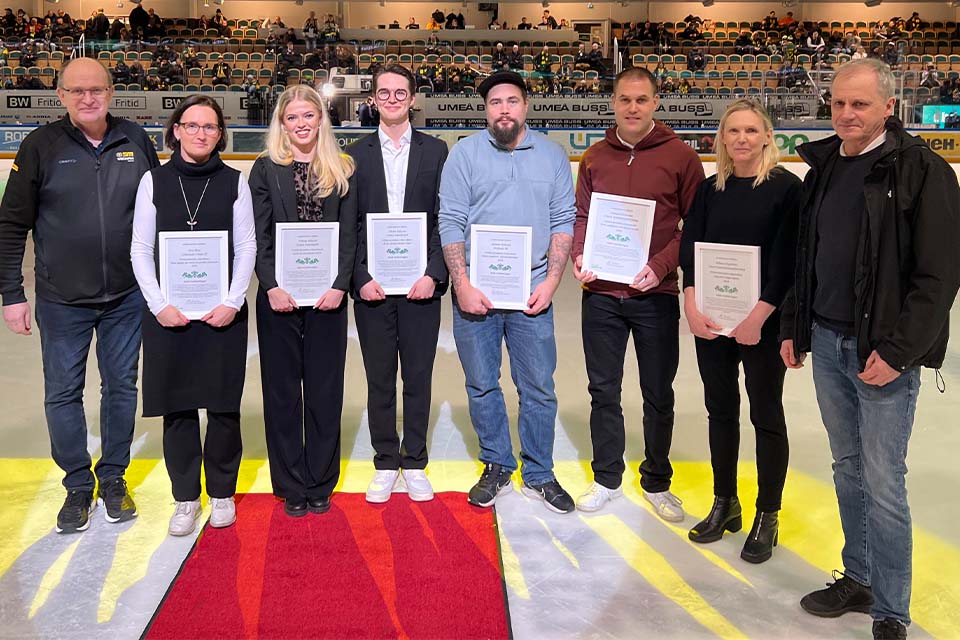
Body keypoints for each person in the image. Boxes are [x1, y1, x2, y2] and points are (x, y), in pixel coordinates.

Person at [780, 58, 960, 640]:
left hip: (881, 351)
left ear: (888, 106)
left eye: (859, 104)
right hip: (828, 343)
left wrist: (901, 351)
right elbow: (806, 257)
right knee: (847, 467)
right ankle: (858, 577)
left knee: (884, 480)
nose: (847, 114)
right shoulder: (825, 167)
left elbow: (938, 276)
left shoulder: (922, 172)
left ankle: (891, 609)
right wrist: (794, 325)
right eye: (838, 104)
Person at [0, 58, 159, 534]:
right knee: (63, 392)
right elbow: (11, 223)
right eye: (77, 91)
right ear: (61, 95)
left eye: (97, 90)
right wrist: (11, 291)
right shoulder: (39, 146)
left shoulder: (135, 139)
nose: (88, 98)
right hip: (60, 297)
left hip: (127, 297)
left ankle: (113, 477)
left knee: (121, 388)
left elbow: (160, 212)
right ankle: (75, 483)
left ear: (111, 92)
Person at [439, 71, 576, 513]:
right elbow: (450, 220)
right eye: (495, 102)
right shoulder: (464, 154)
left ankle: (538, 472)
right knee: (481, 385)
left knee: (538, 386)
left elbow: (562, 219)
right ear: (486, 109)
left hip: (531, 291)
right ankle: (497, 463)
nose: (503, 109)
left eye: (511, 101)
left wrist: (552, 281)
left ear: (526, 105)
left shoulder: (552, 156)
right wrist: (461, 284)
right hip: (476, 292)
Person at [571, 67, 704, 519]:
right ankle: (607, 477)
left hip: (656, 295)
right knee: (603, 389)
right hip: (603, 295)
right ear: (613, 101)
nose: (633, 107)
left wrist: (661, 265)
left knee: (657, 393)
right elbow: (583, 217)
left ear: (655, 103)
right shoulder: (593, 158)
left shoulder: (682, 157)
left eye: (641, 100)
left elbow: (694, 226)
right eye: (625, 99)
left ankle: (656, 480)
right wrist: (578, 255)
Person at [679, 100, 800, 563]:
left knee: (766, 415)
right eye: (734, 131)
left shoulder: (788, 190)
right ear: (722, 139)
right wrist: (690, 304)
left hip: (762, 326)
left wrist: (758, 317)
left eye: (751, 130)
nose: (743, 139)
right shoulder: (711, 190)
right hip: (713, 321)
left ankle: (767, 514)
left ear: (768, 136)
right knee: (720, 410)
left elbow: (788, 259)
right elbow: (692, 250)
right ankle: (724, 501)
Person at [130, 95, 254, 536]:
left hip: (222, 314)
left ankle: (221, 492)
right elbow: (141, 249)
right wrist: (159, 304)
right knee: (177, 407)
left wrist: (234, 301)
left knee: (223, 407)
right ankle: (185, 498)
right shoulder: (153, 181)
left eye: (210, 126)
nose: (201, 133)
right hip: (169, 314)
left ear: (220, 134)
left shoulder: (235, 182)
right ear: (176, 130)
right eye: (192, 125)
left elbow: (247, 248)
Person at [249, 85, 357, 518]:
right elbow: (258, 235)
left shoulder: (343, 168)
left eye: (308, 116)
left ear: (320, 120)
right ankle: (291, 482)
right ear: (281, 123)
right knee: (281, 394)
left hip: (328, 298)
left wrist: (339, 284)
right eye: (292, 117)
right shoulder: (264, 169)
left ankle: (320, 481)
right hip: (279, 299)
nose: (301, 124)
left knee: (325, 392)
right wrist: (272, 285)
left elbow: (349, 234)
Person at [347, 64, 449, 503]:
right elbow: (347, 224)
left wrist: (433, 273)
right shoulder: (354, 154)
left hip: (420, 286)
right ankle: (386, 460)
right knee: (379, 377)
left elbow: (446, 220)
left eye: (400, 92)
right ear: (373, 99)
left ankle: (416, 460)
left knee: (419, 376)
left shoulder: (437, 152)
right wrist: (358, 277)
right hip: (372, 286)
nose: (392, 99)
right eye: (383, 93)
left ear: (413, 99)